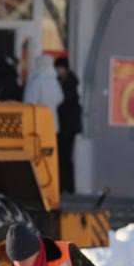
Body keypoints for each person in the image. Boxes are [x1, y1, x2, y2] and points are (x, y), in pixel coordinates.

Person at [54, 57, 82, 194]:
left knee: (65, 157)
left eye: (60, 68)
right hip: (64, 126)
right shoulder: (65, 82)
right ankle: (65, 186)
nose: (58, 71)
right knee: (62, 157)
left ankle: (68, 187)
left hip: (67, 127)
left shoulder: (69, 84)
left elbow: (66, 104)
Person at [21, 54, 64, 130]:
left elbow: (29, 102)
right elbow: (60, 98)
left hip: (37, 123)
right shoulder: (54, 81)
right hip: (52, 121)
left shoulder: (35, 81)